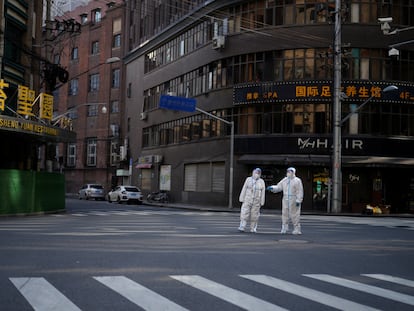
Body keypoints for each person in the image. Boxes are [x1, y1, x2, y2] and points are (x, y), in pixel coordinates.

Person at [267, 167, 304, 235]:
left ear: (293, 172)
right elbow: (279, 187)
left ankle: (297, 229)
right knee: (284, 213)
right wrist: (273, 188)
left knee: (294, 214)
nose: (289, 173)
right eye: (288, 171)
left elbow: (300, 191)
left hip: (293, 199)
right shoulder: (285, 180)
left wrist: (299, 200)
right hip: (285, 199)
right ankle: (284, 227)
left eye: (290, 172)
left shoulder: (297, 180)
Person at [238, 168, 266, 233]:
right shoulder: (248, 179)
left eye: (258, 173)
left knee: (255, 215)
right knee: (244, 212)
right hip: (247, 199)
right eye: (256, 173)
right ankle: (242, 226)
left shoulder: (261, 181)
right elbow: (244, 188)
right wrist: (242, 197)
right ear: (253, 173)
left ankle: (253, 228)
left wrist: (262, 201)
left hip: (257, 201)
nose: (257, 174)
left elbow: (263, 192)